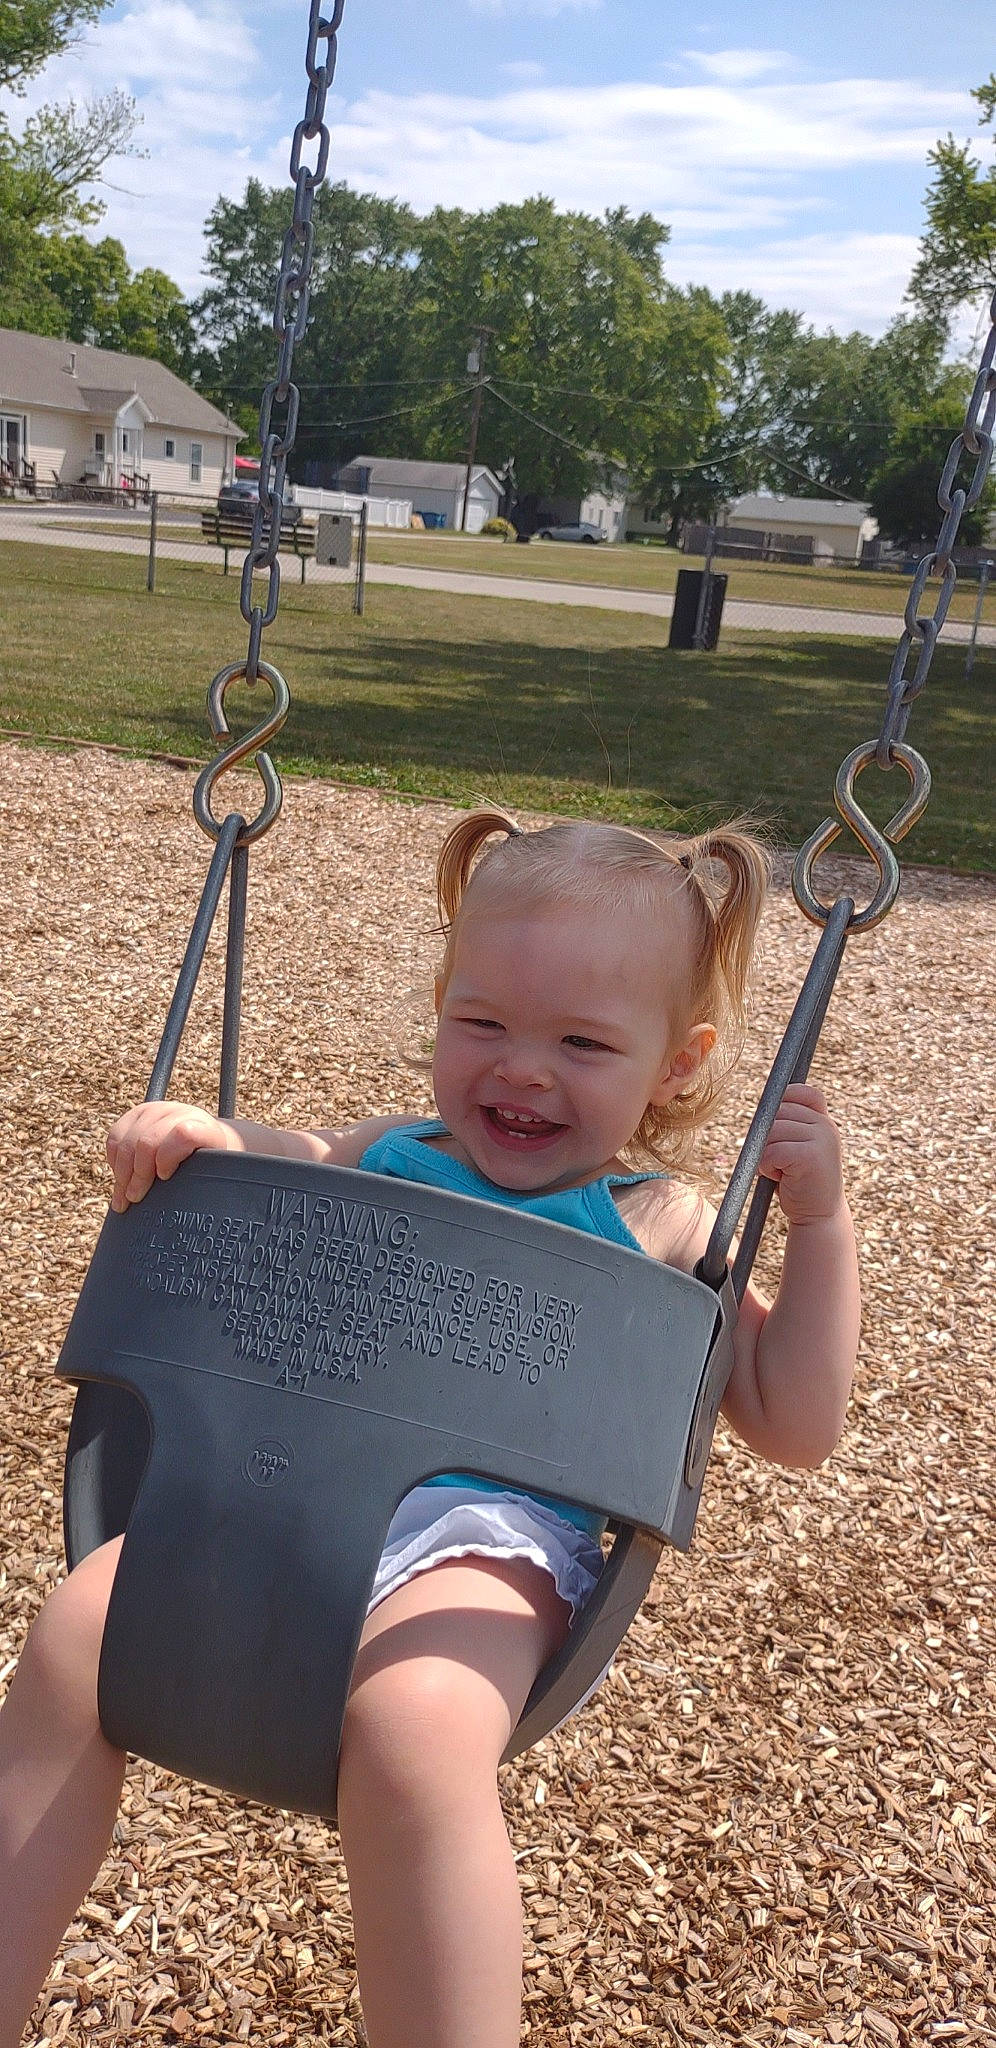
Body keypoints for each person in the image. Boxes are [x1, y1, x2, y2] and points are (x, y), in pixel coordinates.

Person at [0, 809, 860, 2048]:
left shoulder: (662, 1221)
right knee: (79, 1629)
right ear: (442, 1008)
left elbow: (794, 1416)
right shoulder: (398, 1150)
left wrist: (821, 1225)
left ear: (677, 1063)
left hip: (484, 1547)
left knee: (413, 1728)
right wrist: (208, 1136)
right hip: (280, 1494)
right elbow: (283, 1154)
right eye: (483, 1022)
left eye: (580, 1040)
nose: (520, 1067)